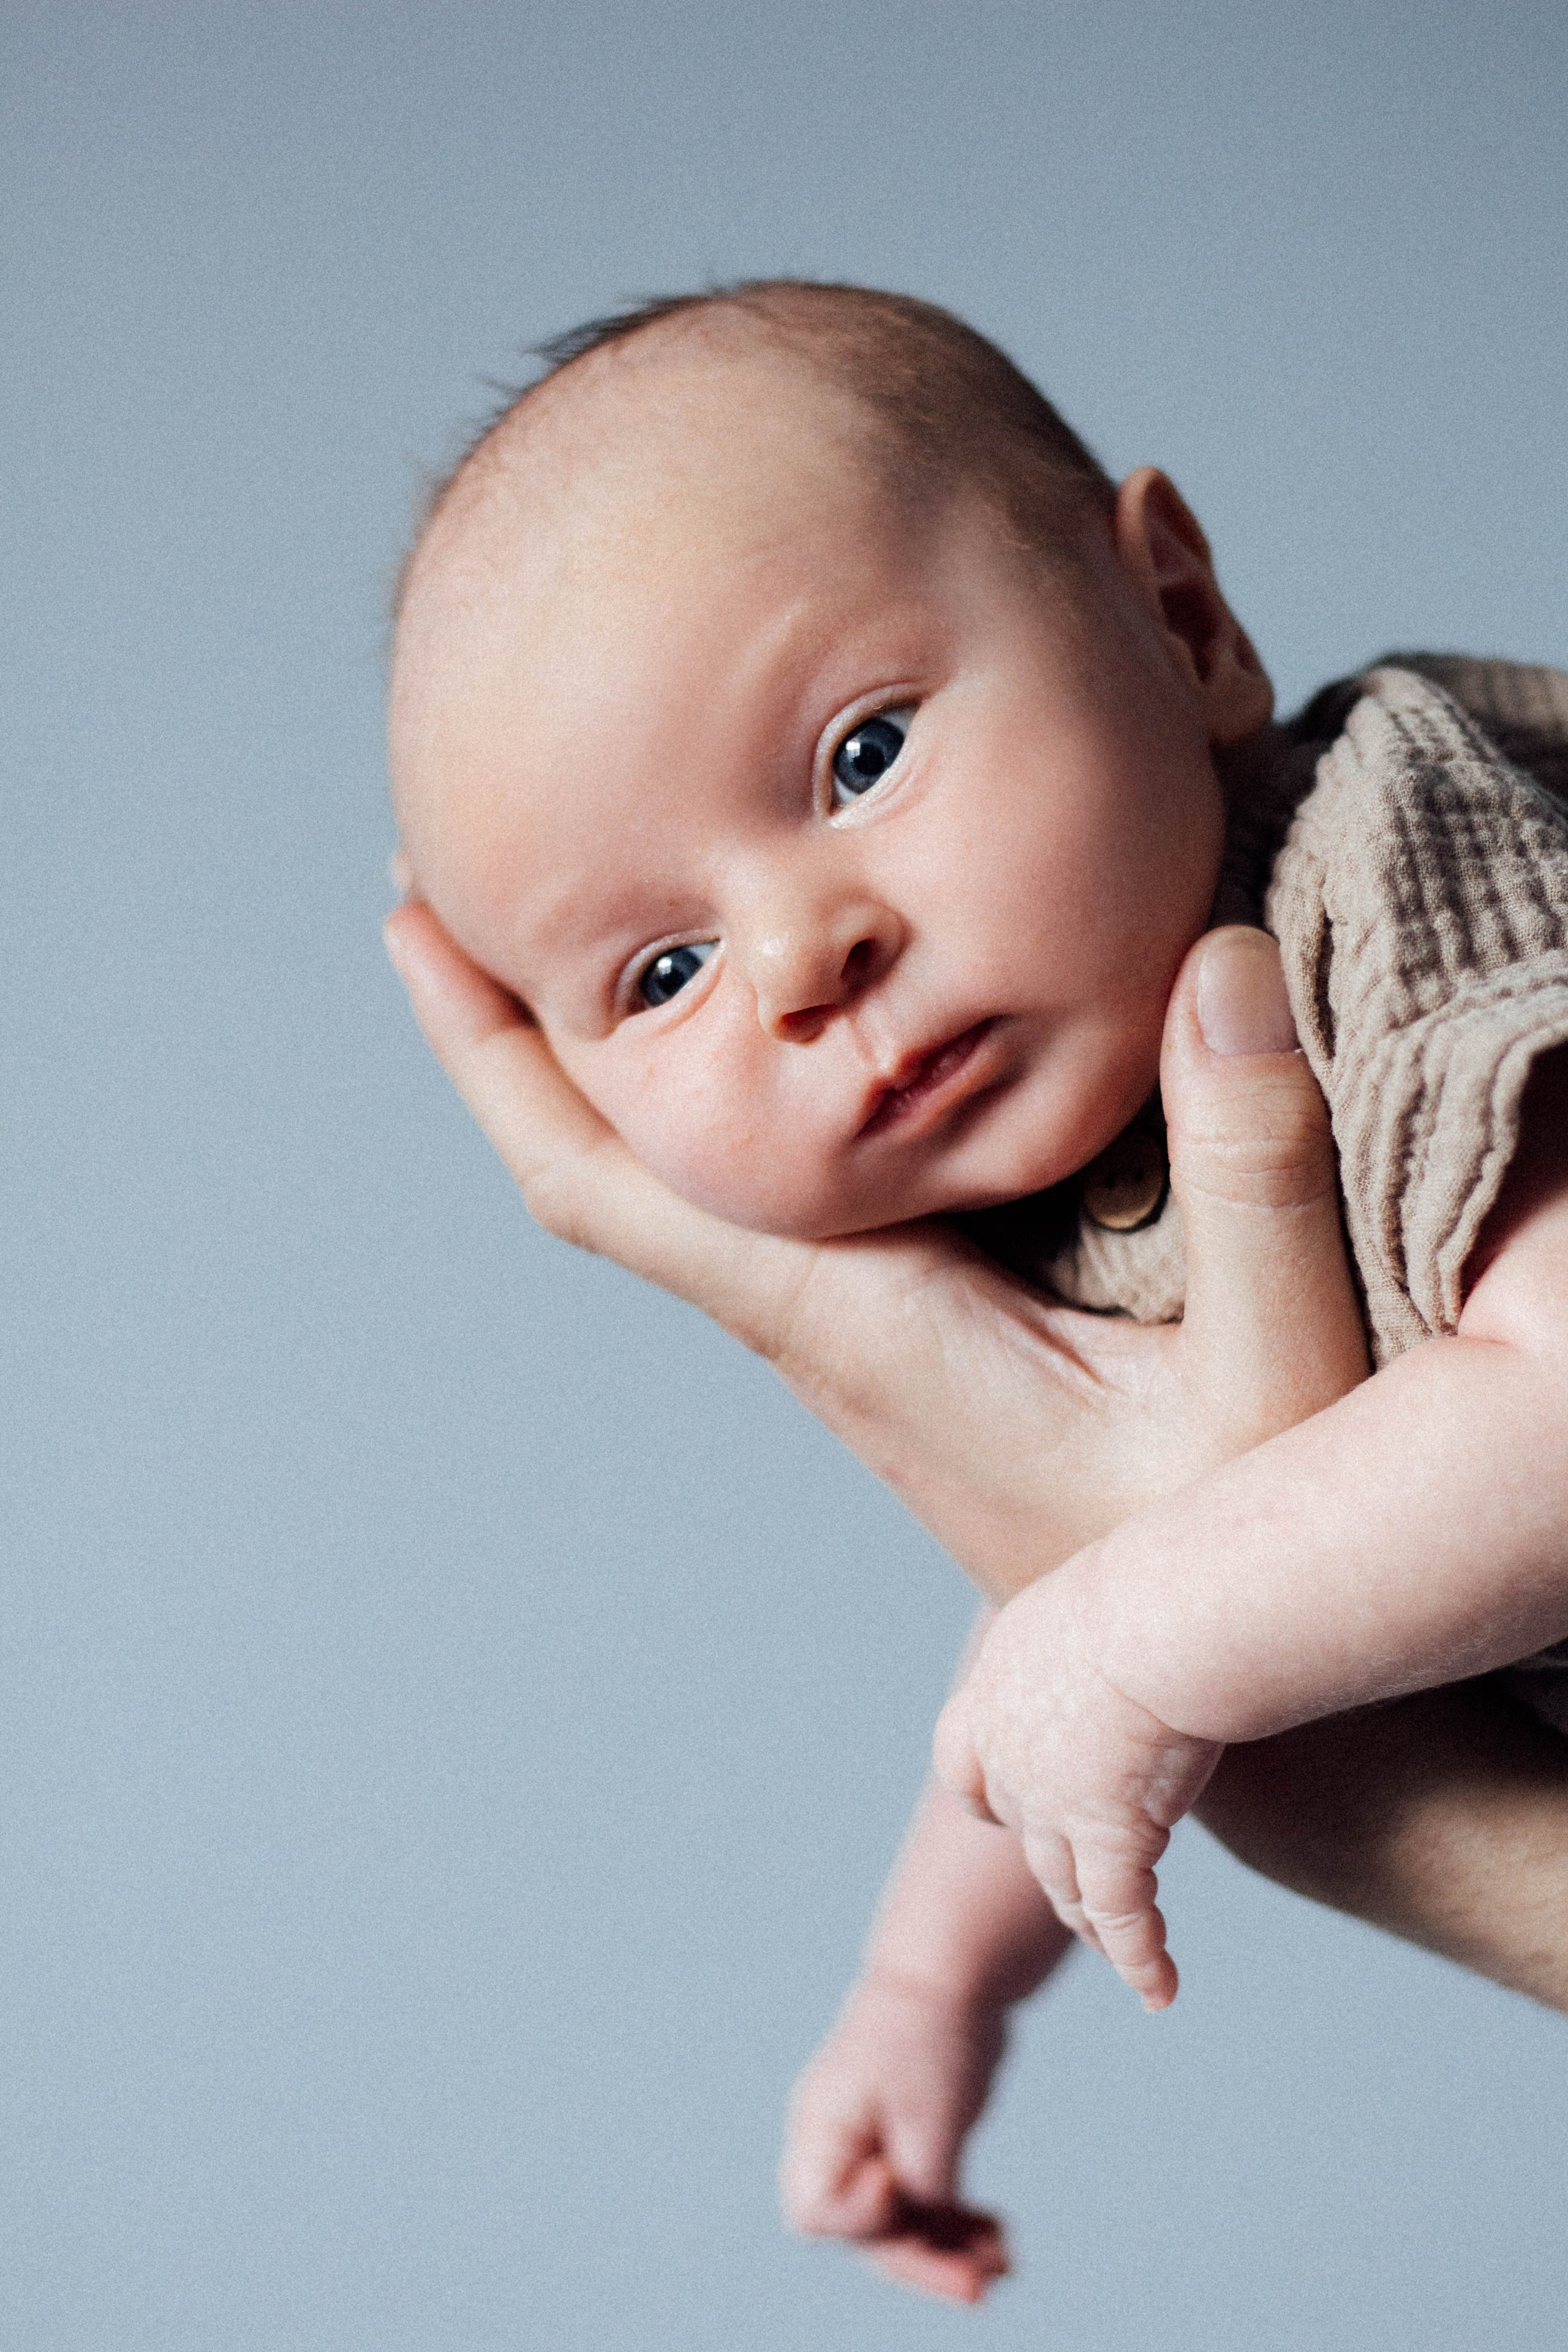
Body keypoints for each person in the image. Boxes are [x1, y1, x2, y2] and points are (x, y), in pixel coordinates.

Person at [383, 281, 1568, 2299]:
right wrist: (931, 1981)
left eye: (859, 756)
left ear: (1180, 622)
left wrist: (1133, 1645)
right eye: (656, 974)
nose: (793, 961)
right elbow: (1079, 1611)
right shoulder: (1054, 1183)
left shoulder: (1394, 884)